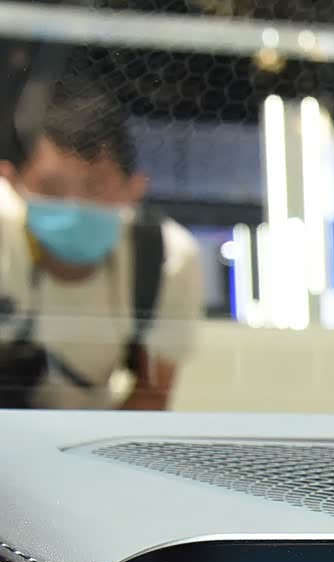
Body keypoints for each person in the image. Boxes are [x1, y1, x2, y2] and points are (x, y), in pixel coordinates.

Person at [0, 75, 203, 410]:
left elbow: (152, 393)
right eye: (51, 188)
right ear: (11, 179)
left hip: (89, 428)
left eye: (96, 188)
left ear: (134, 188)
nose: (73, 205)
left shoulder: (166, 258)